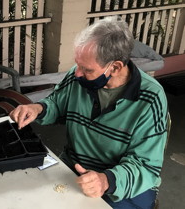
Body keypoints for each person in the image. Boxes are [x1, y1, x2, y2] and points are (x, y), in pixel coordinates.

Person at [9, 16, 168, 208]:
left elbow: (146, 166)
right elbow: (57, 105)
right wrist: (39, 108)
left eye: (87, 69)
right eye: (77, 64)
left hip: (124, 183)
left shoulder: (150, 98)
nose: (77, 73)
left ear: (115, 67)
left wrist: (106, 180)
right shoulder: (77, 77)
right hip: (74, 168)